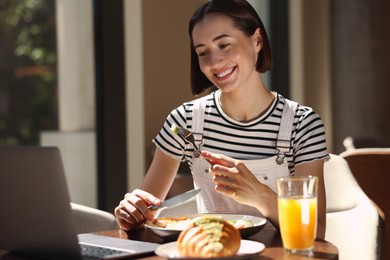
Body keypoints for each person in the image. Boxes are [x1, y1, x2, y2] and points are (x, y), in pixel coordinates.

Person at [114, 0, 329, 239]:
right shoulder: (184, 122)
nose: (214, 62)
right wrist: (132, 214)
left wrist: (259, 194)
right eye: (203, 52)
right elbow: (146, 215)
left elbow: (315, 231)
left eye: (224, 44)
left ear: (257, 41)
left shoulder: (303, 124)